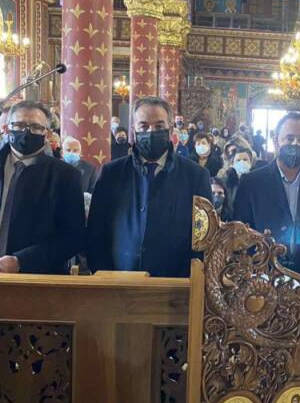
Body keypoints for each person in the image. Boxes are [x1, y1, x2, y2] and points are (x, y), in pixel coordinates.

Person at [0, 100, 85, 274]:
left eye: (35, 127)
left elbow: (73, 236)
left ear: (47, 133)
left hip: (37, 277)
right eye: (19, 125)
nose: (26, 132)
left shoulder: (65, 175)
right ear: (7, 128)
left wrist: (22, 261)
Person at [87, 97, 211, 277]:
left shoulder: (196, 176)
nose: (151, 132)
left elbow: (203, 237)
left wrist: (188, 281)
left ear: (170, 130)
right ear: (134, 130)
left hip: (177, 285)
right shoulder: (111, 174)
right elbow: (96, 232)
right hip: (119, 282)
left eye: (159, 126)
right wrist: (105, 275)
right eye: (144, 126)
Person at [233, 112, 300, 282]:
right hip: (262, 281)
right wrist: (259, 274)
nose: (295, 144)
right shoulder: (251, 183)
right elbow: (240, 235)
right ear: (276, 141)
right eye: (289, 138)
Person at [219, 145, 254, 210]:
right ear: (233, 164)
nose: (242, 162)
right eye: (238, 160)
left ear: (251, 162)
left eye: (245, 160)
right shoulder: (225, 182)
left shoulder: (256, 181)